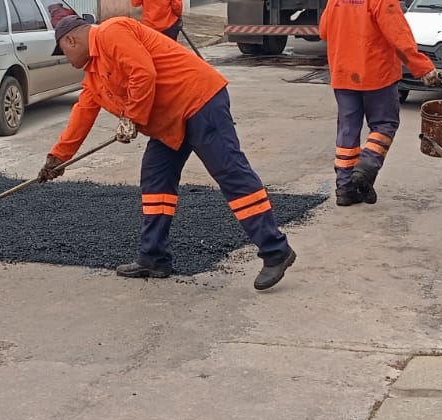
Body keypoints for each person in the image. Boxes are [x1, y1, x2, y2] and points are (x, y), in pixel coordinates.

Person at [37, 15, 297, 291]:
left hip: (198, 100)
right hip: (170, 120)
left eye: (63, 52)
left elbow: (143, 72)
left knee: (230, 173)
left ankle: (275, 250)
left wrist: (131, 117)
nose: (67, 60)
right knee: (155, 179)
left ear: (71, 40)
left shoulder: (110, 32)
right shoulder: (94, 75)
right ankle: (154, 257)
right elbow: (82, 115)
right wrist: (58, 158)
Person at [317, 0, 439, 207]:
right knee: (384, 125)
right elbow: (400, 38)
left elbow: (324, 32)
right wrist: (423, 68)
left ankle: (345, 189)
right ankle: (366, 168)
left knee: (348, 131)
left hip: (343, 76)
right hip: (377, 75)